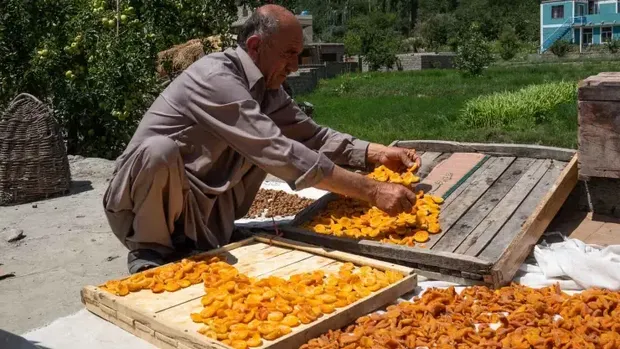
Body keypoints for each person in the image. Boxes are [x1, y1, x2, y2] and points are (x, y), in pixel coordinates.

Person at [102, 4, 421, 274]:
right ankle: (149, 249)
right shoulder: (216, 78)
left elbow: (312, 137)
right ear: (255, 46)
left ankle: (197, 238)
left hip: (198, 213)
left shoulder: (267, 89)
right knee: (160, 150)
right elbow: (278, 151)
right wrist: (373, 190)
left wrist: (375, 153)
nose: (295, 66)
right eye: (289, 54)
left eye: (299, 55)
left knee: (267, 142)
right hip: (143, 208)